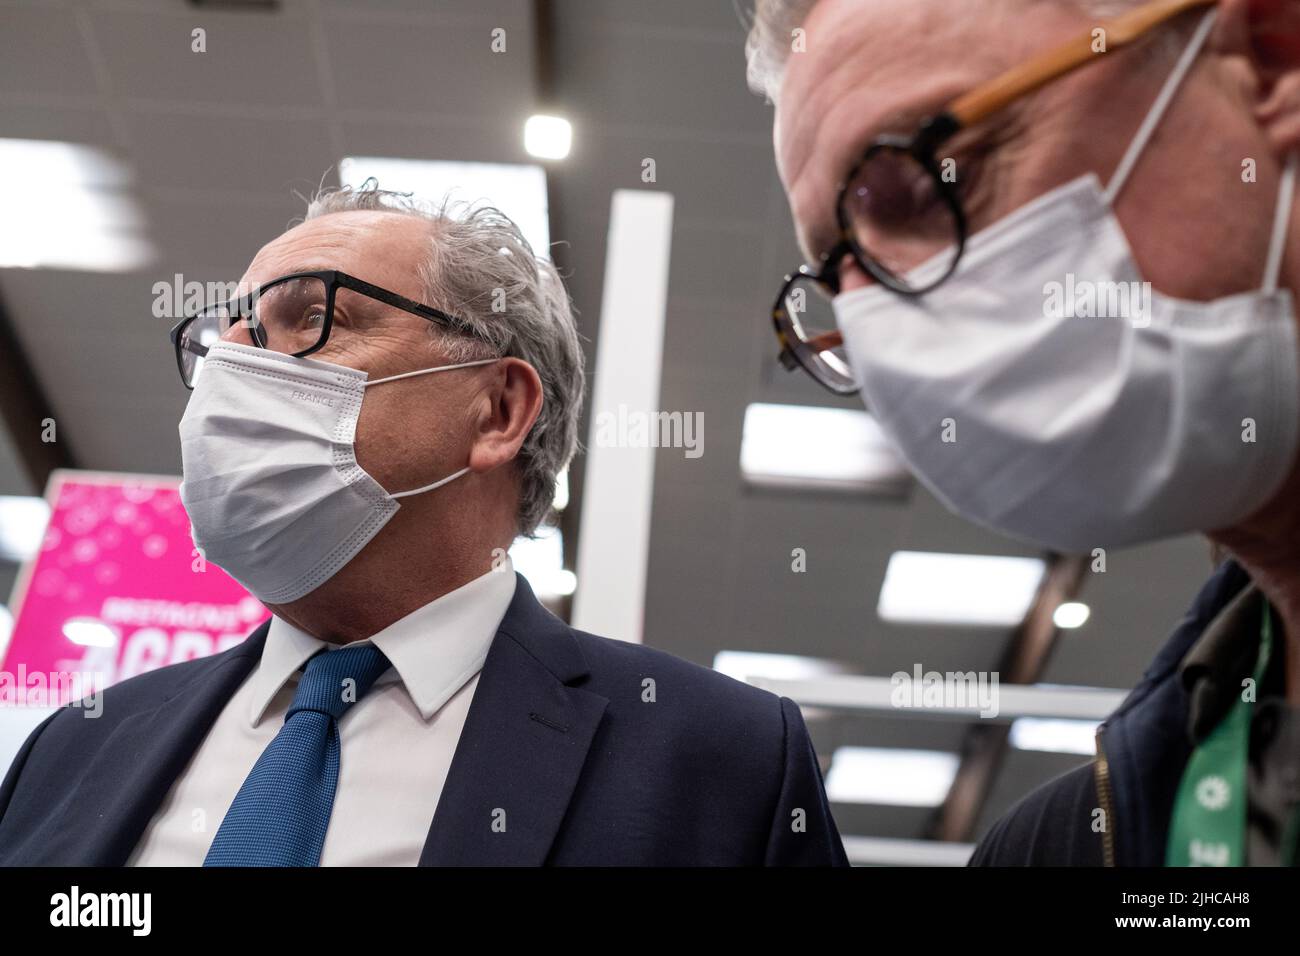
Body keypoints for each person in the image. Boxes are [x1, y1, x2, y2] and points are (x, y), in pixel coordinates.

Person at [0, 183, 848, 867]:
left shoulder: (716, 760)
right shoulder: (74, 749)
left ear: (497, 408)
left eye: (312, 318)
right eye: (230, 336)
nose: (238, 367)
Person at [744, 0, 1300, 865]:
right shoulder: (1063, 848)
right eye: (840, 278)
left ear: (1270, 59)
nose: (885, 331)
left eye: (931, 182)